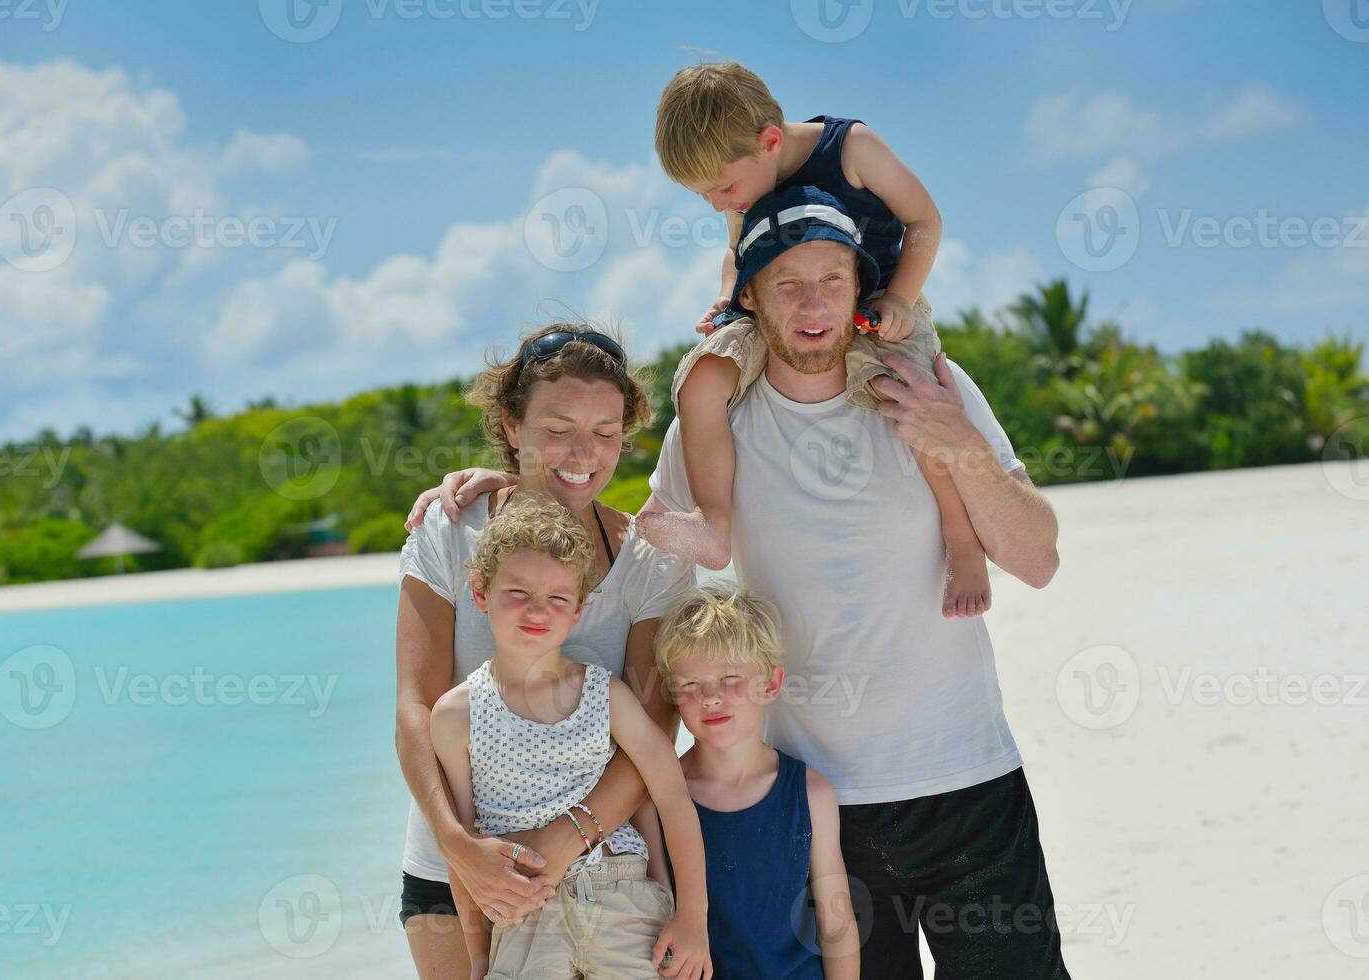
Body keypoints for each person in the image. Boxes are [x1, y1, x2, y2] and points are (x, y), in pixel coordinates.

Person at [413, 189, 1070, 979]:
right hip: (810, 807)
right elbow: (608, 489)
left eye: (833, 279)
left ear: (861, 290)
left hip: (967, 778)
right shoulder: (718, 414)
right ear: (746, 298)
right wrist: (512, 479)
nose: (812, 302)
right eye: (786, 284)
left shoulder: (928, 385)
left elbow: (1036, 559)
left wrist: (958, 442)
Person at [395, 324, 696, 978]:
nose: (583, 453)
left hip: (608, 880)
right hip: (452, 874)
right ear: (510, 425)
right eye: (557, 429)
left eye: (606, 432)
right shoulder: (450, 530)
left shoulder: (651, 560)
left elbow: (655, 726)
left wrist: (563, 842)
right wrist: (459, 845)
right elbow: (415, 707)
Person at [641, 61, 991, 620]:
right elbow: (736, 253)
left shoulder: (851, 148)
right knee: (701, 373)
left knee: (915, 396)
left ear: (771, 142)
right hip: (777, 311)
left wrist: (900, 297)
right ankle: (713, 522)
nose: (717, 203)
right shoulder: (743, 188)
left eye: (723, 188)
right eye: (704, 194)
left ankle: (964, 542)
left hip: (879, 305)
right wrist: (728, 301)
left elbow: (924, 219)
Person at [431, 493, 711, 979]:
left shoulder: (608, 694)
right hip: (521, 916)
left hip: (620, 894)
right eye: (517, 592)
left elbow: (672, 798)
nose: (537, 611)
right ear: (480, 592)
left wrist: (692, 918)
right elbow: (463, 848)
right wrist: (479, 956)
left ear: (579, 608)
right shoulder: (457, 712)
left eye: (558, 598)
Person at [654, 581, 860, 979]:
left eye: (730, 678)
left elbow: (837, 924)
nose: (711, 697)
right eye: (692, 685)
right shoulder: (663, 796)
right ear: (673, 694)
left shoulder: (810, 793)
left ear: (770, 683)